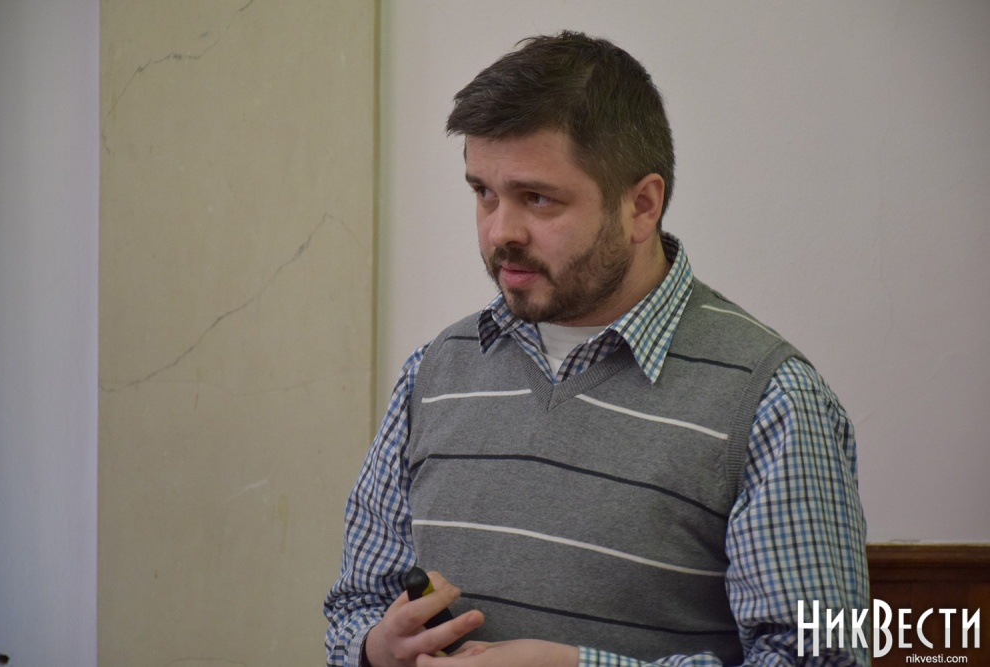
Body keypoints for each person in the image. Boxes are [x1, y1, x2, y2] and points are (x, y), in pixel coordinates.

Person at [324, 31, 869, 667]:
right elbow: (354, 607)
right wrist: (377, 648)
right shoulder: (433, 373)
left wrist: (577, 666)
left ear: (642, 206)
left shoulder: (774, 402)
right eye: (484, 193)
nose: (501, 231)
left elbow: (821, 657)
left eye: (538, 198)